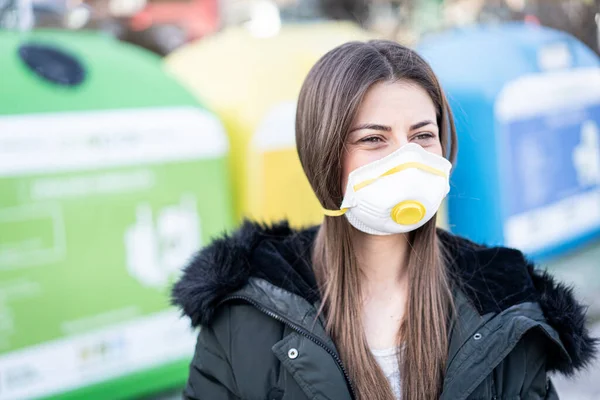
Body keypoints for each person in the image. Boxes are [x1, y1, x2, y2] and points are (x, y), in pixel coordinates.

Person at [172, 40, 597, 400]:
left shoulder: (505, 301)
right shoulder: (244, 312)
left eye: (422, 135)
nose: (406, 159)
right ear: (324, 158)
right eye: (374, 139)